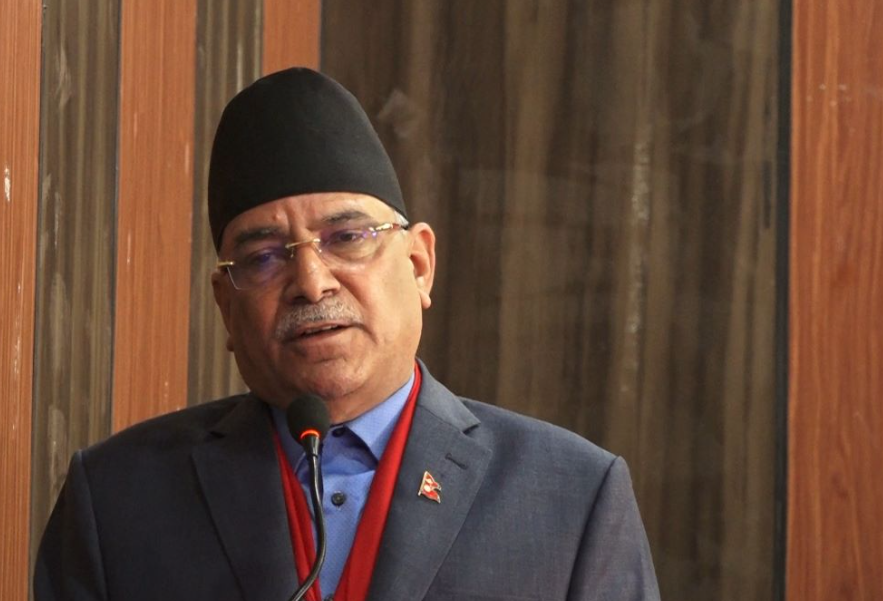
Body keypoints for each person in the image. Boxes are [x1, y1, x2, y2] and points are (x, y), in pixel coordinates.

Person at [35, 67, 660, 601]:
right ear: (226, 306)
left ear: (419, 265)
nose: (311, 283)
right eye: (264, 257)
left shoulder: (569, 498)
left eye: (347, 238)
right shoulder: (118, 500)